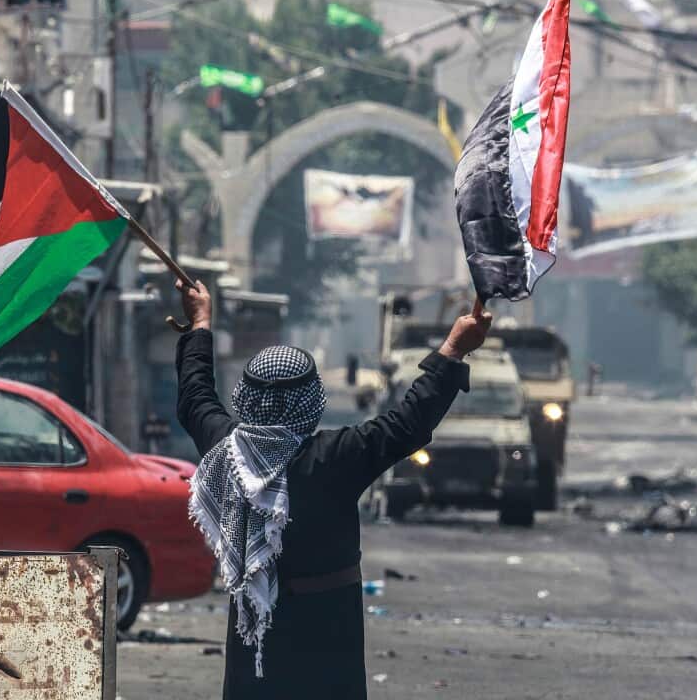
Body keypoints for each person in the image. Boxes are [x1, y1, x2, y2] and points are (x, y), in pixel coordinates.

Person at [174, 279, 492, 699]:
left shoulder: (225, 448)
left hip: (255, 628)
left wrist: (200, 323)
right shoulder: (340, 455)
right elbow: (410, 420)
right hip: (329, 627)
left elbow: (196, 396)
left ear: (246, 398)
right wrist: (454, 349)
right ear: (313, 400)